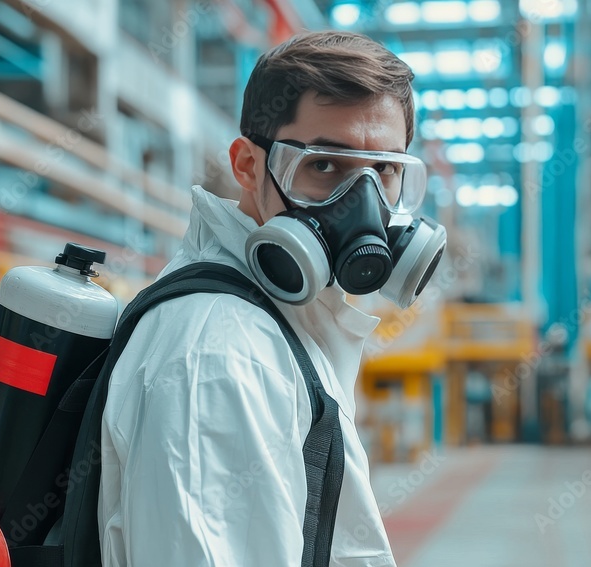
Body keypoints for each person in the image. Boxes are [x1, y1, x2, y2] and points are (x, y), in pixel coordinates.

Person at [99, 30, 441, 566]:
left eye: (386, 171)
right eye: (325, 166)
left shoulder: (276, 324)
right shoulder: (219, 354)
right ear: (248, 166)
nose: (363, 204)